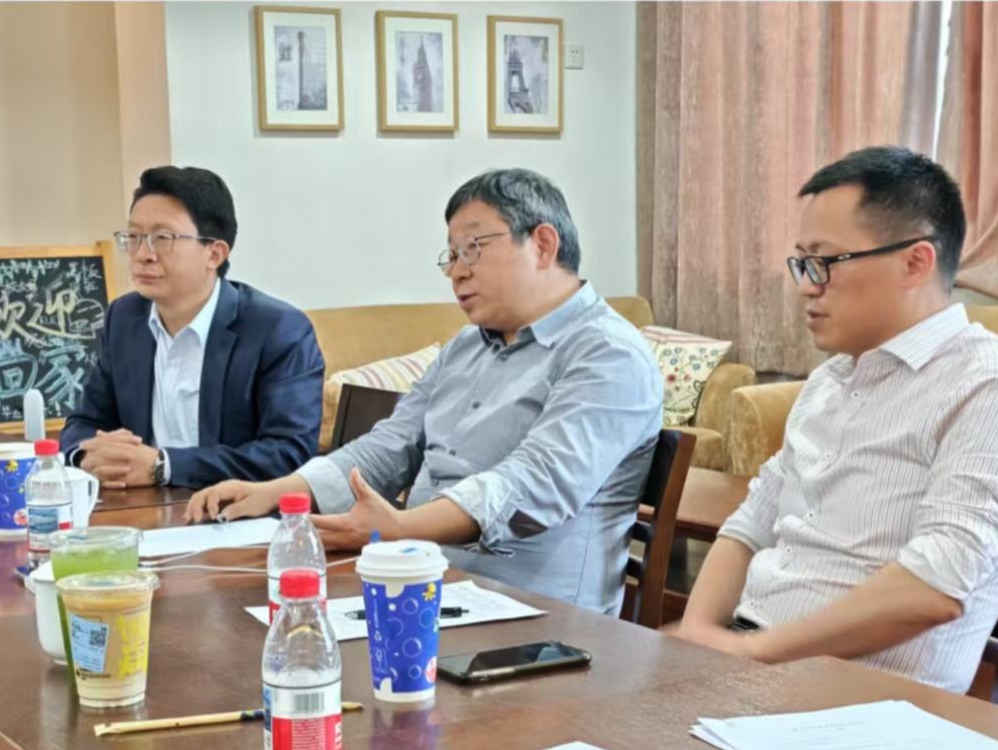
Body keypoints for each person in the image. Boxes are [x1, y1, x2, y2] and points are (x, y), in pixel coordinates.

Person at [186, 169, 663, 614]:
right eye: (451, 256)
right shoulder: (465, 347)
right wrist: (276, 492)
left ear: (542, 245)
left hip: (537, 619)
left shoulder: (609, 353)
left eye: (472, 249)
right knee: (242, 613)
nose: (457, 272)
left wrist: (399, 529)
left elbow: (534, 481)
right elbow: (390, 445)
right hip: (427, 586)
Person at [668, 147, 998, 693]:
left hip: (864, 700)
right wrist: (698, 635)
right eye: (802, 263)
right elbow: (751, 522)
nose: (807, 286)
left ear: (915, 262)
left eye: (825, 263)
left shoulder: (991, 386)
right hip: (756, 669)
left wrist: (754, 653)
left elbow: (935, 587)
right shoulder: (831, 380)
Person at [60, 167, 324, 489]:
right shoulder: (124, 318)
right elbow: (85, 422)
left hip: (236, 512)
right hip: (137, 507)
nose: (143, 255)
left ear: (215, 253)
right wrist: (87, 456)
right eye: (134, 237)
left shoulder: (279, 330)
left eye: (162, 239)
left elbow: (289, 454)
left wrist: (164, 466)